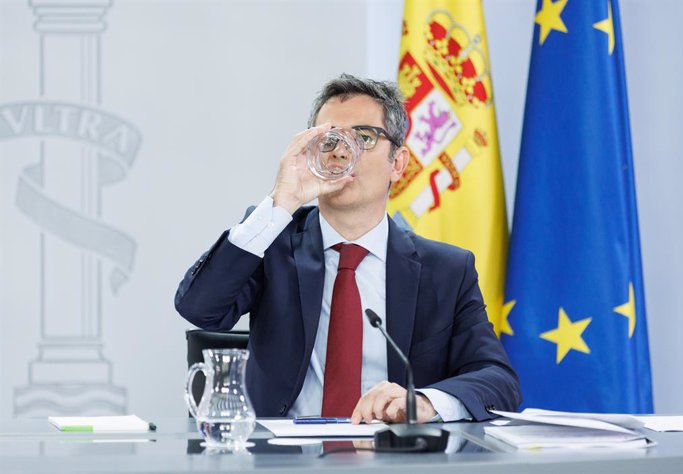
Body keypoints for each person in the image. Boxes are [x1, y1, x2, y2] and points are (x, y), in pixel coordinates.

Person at [175, 74, 521, 424]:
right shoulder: (272, 243)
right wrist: (281, 202)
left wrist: (425, 403)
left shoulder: (446, 270)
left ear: (398, 164)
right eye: (328, 140)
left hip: (392, 459)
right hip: (283, 460)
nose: (342, 151)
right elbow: (199, 308)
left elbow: (498, 380)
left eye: (363, 138)